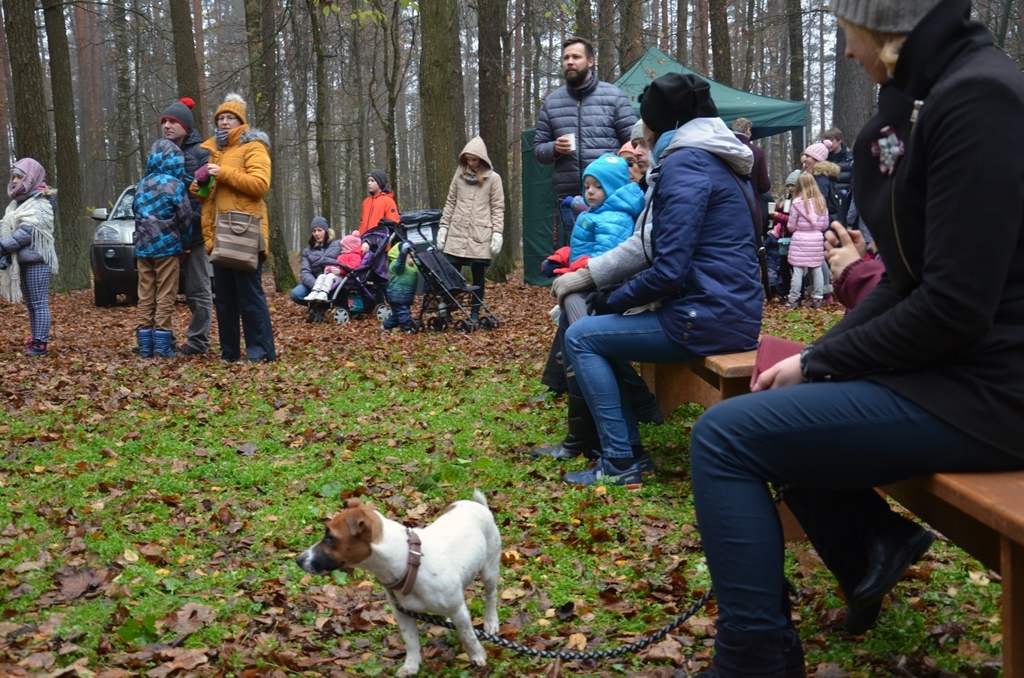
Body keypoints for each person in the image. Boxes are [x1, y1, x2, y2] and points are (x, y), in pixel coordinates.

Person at [686, 0, 1024, 672]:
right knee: (760, 409)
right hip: (956, 373)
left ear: (885, 27)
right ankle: (870, 543)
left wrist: (822, 364)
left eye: (848, 32)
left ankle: (753, 658)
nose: (844, 51)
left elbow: (954, 305)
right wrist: (817, 355)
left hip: (993, 391)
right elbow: (906, 279)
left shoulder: (981, 100)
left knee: (725, 438)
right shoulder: (940, 95)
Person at [559, 73, 762, 487]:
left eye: (643, 127)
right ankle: (619, 443)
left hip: (703, 315)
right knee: (595, 327)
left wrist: (611, 299)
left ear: (663, 123)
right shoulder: (712, 157)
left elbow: (669, 269)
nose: (638, 141)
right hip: (727, 309)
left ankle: (621, 460)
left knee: (583, 335)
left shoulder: (686, 164)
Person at [195, 93, 276, 363]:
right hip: (219, 233)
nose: (224, 122)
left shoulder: (254, 147)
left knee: (250, 296)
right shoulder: (215, 152)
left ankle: (260, 353)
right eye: (220, 118)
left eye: (230, 117)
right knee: (225, 299)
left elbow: (260, 185)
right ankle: (229, 353)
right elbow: (209, 195)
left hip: (244, 232)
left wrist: (224, 173)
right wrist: (199, 185)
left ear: (241, 121)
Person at [533, 36, 635, 245]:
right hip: (570, 199)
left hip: (610, 197)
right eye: (566, 58)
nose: (569, 61)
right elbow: (538, 149)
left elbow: (634, 143)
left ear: (590, 61)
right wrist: (554, 148)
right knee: (576, 257)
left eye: (576, 57)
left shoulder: (614, 97)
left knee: (610, 256)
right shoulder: (552, 102)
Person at [160, 98, 213, 356]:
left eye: (173, 121)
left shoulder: (202, 153)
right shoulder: (160, 152)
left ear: (186, 125)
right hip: (166, 236)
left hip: (195, 235)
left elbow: (208, 197)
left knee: (197, 290)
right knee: (161, 292)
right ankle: (161, 341)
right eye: (165, 122)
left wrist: (190, 220)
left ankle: (198, 342)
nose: (167, 126)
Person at [133, 139, 192, 358]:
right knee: (166, 295)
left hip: (143, 249)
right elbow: (185, 218)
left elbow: (136, 216)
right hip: (167, 250)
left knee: (145, 295)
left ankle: (145, 346)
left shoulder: (141, 185)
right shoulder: (175, 185)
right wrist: (185, 244)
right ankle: (163, 345)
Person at [436, 137, 504, 325]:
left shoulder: (493, 179)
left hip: (480, 234)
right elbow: (451, 202)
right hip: (457, 233)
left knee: (478, 276)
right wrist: (444, 226)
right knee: (451, 274)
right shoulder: (458, 176)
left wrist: (497, 232)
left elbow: (498, 207)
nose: (471, 163)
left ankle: (475, 311)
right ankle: (448, 309)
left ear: (481, 159)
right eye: (468, 159)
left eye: (474, 159)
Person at [0, 158, 57, 357]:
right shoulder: (18, 203)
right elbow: (7, 226)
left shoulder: (41, 202)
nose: (14, 181)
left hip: (37, 261)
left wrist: (3, 247)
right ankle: (36, 337)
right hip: (21, 261)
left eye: (19, 177)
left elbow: (28, 231)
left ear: (31, 178)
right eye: (13, 177)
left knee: (39, 302)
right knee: (31, 303)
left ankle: (40, 343)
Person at [784, 173, 829, 309]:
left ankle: (794, 299)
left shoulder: (796, 203)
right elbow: (824, 224)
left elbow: (791, 225)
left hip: (800, 239)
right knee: (816, 270)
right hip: (816, 239)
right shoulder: (821, 202)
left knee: (797, 270)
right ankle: (817, 298)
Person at [291, 217, 341, 305]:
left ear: (326, 231)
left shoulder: (338, 245)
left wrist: (366, 242)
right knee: (296, 294)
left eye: (319, 230)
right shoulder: (307, 251)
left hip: (334, 282)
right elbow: (305, 272)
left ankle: (330, 303)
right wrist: (316, 286)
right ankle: (318, 305)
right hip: (314, 284)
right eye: (314, 231)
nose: (316, 234)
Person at [732, 118, 772, 223]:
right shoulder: (757, 152)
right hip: (751, 204)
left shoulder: (722, 149)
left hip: (726, 206)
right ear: (748, 130)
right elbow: (764, 186)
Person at [303, 232, 362, 302]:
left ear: (350, 247)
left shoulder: (355, 256)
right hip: (337, 275)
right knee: (321, 276)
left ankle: (324, 292)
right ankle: (315, 291)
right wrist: (329, 268)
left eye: (344, 246)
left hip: (345, 277)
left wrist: (340, 271)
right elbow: (336, 264)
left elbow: (353, 267)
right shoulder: (342, 255)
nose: (341, 247)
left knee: (330, 276)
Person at [381, 242, 419, 333]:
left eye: (415, 257)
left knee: (398, 315)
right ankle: (406, 328)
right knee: (403, 313)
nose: (413, 259)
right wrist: (403, 253)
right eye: (411, 257)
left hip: (405, 295)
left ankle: (385, 326)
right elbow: (400, 264)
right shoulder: (397, 265)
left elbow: (420, 264)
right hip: (398, 295)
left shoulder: (413, 266)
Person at [822, 127, 854, 224]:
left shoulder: (851, 158)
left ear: (840, 140)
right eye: (825, 141)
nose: (828, 144)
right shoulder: (822, 158)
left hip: (846, 204)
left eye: (831, 140)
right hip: (828, 207)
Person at [359, 170, 399, 235]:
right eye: (368, 180)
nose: (369, 183)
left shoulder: (388, 201)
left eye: (372, 181)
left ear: (380, 182)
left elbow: (393, 224)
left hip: (381, 242)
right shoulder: (366, 202)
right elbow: (362, 223)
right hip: (364, 241)